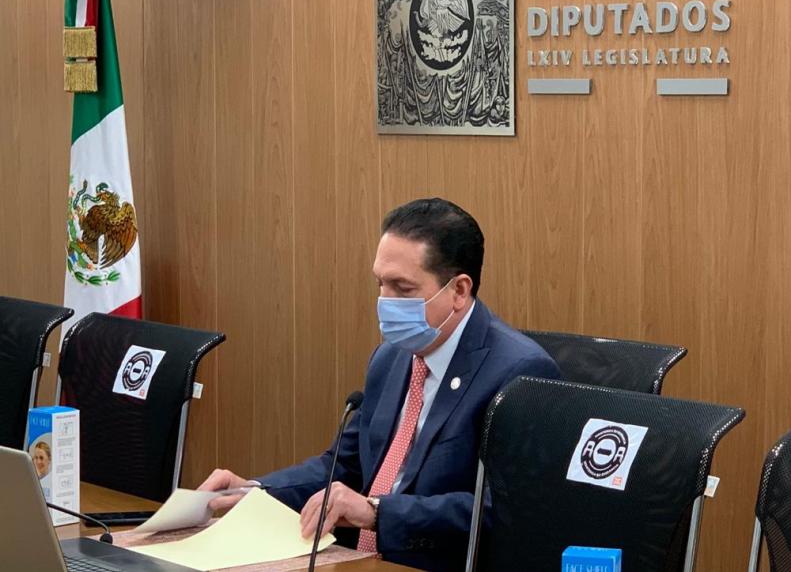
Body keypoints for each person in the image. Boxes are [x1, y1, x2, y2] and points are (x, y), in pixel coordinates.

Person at [199, 198, 560, 570]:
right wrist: (256, 492)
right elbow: (342, 467)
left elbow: (507, 510)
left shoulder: (520, 374)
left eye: (402, 288)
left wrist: (377, 513)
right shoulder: (390, 358)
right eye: (380, 284)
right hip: (357, 561)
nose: (385, 302)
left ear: (459, 290)